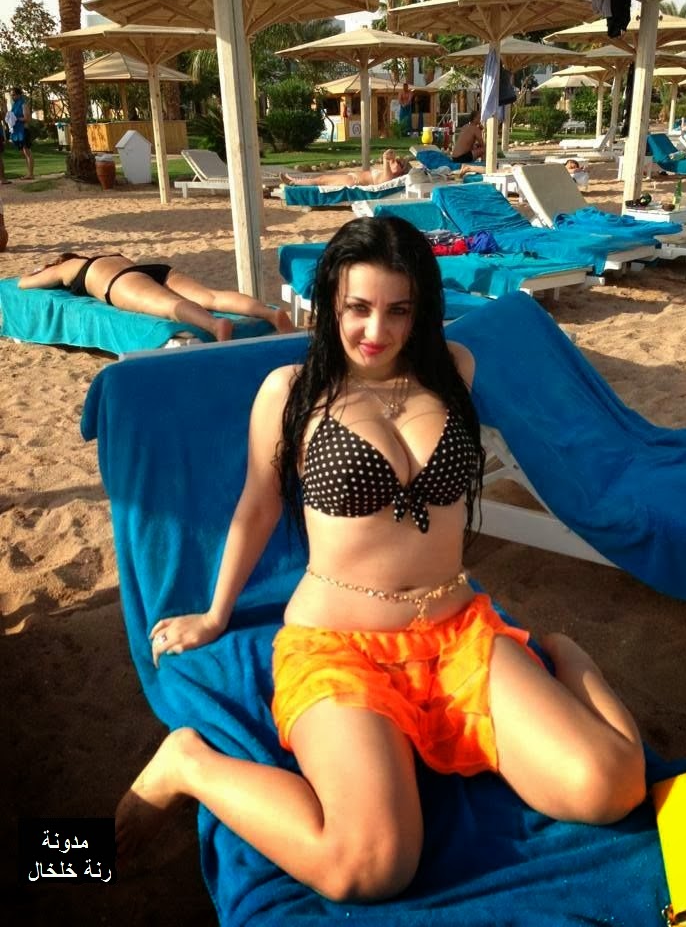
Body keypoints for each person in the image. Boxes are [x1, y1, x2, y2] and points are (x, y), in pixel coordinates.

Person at [114, 215, 646, 902]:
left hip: (460, 634)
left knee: (611, 787)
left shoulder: (455, 370)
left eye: (398, 310)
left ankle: (564, 653)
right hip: (340, 646)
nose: (376, 330)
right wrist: (215, 615)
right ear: (330, 303)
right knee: (370, 867)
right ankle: (186, 765)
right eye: (358, 308)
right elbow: (257, 507)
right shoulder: (290, 392)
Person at [18, 253, 295, 340]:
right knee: (211, 296)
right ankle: (271, 313)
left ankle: (214, 325)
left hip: (120, 282)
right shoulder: (109, 255)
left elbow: (23, 284)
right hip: (152, 269)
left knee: (171, 306)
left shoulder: (68, 267)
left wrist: (42, 269)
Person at [281, 148, 410, 188]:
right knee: (322, 179)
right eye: (395, 161)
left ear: (401, 171)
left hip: (353, 181)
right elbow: (388, 159)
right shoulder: (389, 173)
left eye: (399, 163)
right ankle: (295, 181)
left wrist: (388, 159)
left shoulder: (389, 177)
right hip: (352, 178)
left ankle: (293, 182)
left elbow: (386, 157)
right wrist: (391, 160)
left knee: (322, 180)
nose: (395, 163)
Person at [9, 87, 34, 180]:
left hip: (24, 130)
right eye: (11, 95)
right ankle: (28, 173)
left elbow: (27, 118)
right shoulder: (14, 105)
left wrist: (16, 118)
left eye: (14, 95)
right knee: (23, 153)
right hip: (17, 131)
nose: (12, 97)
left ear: (19, 95)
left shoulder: (23, 104)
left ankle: (31, 174)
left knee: (27, 152)